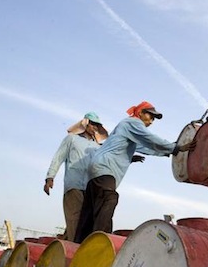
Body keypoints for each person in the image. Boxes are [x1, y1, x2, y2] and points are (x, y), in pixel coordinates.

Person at [74, 101, 196, 242]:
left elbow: (145, 147)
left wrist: (168, 151)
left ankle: (78, 244)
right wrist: (175, 148)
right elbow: (149, 139)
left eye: (154, 119)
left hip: (96, 169)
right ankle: (100, 240)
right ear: (140, 113)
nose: (151, 121)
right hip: (105, 168)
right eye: (150, 116)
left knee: (89, 211)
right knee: (109, 198)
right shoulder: (133, 122)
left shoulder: (127, 127)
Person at [44, 112, 109, 241]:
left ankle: (65, 248)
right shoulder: (72, 139)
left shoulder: (98, 147)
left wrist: (129, 158)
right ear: (85, 124)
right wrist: (50, 177)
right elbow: (58, 157)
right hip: (74, 185)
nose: (95, 128)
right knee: (76, 219)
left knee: (84, 222)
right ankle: (76, 251)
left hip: (90, 188)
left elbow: (110, 158)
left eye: (97, 126)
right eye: (93, 125)